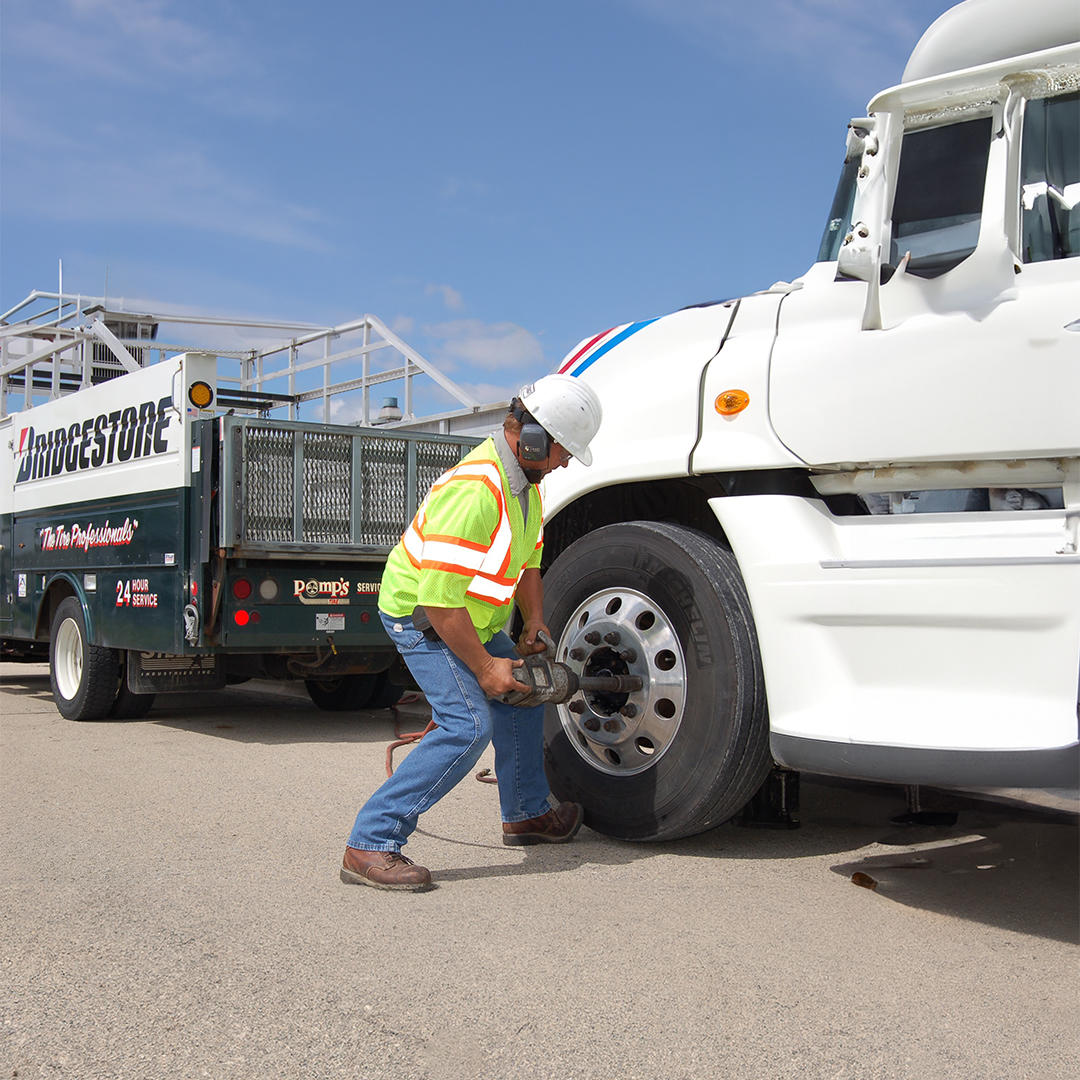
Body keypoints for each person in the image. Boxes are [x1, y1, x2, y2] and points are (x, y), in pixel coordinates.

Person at [342, 374, 603, 891]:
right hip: (422, 617)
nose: (567, 463)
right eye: (565, 450)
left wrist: (533, 623)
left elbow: (529, 564)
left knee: (524, 690)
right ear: (532, 439)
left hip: (471, 619)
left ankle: (525, 813)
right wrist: (485, 669)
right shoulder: (476, 490)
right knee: (467, 725)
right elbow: (438, 603)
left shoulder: (525, 490)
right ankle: (370, 842)